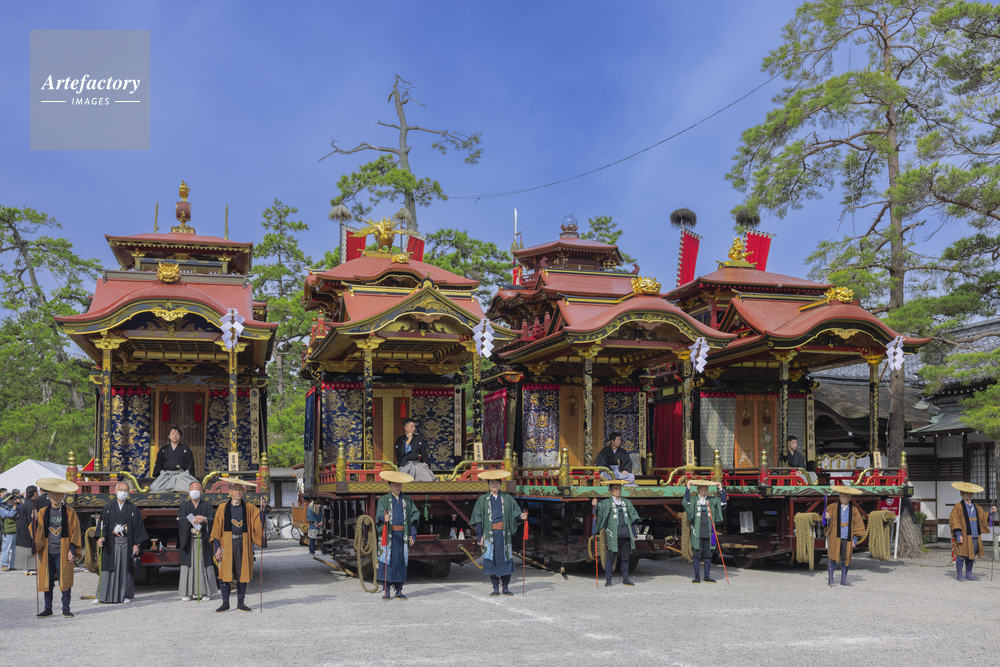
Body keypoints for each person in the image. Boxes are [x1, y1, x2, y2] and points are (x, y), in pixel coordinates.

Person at [470, 470, 528, 596]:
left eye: (496, 482)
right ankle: (495, 588)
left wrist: (521, 516)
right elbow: (477, 518)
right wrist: (479, 535)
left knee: (506, 559)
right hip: (489, 534)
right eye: (492, 482)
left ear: (500, 484)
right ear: (488, 484)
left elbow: (515, 511)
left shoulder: (507, 498)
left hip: (504, 534)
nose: (494, 485)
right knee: (492, 560)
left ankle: (505, 587)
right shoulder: (482, 500)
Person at [210, 479, 263, 613]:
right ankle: (225, 603)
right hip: (226, 543)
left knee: (242, 573)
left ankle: (241, 602)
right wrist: (217, 548)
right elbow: (216, 529)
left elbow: (258, 523)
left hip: (243, 543)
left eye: (240, 490)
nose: (237, 492)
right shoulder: (223, 508)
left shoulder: (249, 508)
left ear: (244, 492)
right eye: (235, 490)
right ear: (230, 492)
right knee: (224, 573)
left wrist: (262, 510)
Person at [33, 478, 82, 618]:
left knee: (65, 579)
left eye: (58, 494)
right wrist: (34, 520)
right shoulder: (43, 512)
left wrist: (72, 550)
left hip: (63, 551)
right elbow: (37, 532)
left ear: (62, 495)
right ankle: (48, 608)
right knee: (47, 580)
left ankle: (66, 608)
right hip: (47, 551)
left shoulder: (70, 512)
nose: (55, 497)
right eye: (52, 494)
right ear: (48, 495)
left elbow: (75, 532)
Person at [94, 481, 149, 604]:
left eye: (125, 490)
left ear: (129, 493)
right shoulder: (107, 508)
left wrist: (137, 544)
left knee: (125, 569)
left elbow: (138, 528)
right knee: (107, 569)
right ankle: (102, 595)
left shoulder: (133, 509)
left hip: (126, 544)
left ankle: (125, 595)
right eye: (121, 490)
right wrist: (101, 538)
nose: (123, 492)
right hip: (111, 544)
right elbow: (102, 526)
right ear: (115, 491)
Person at [375, 471, 418, 600]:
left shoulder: (407, 500)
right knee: (387, 562)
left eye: (399, 485)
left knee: (401, 562)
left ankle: (399, 590)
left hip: (402, 535)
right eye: (394, 485)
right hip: (389, 535)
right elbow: (379, 514)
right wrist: (383, 517)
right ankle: (386, 591)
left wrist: (413, 534)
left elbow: (414, 516)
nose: (397, 487)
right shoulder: (383, 499)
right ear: (389, 486)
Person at [592, 479, 640, 587]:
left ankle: (626, 579)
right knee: (610, 558)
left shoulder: (626, 502)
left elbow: (633, 518)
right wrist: (595, 505)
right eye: (616, 489)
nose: (618, 490)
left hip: (626, 535)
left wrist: (634, 534)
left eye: (619, 488)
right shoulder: (606, 502)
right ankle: (608, 580)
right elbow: (598, 509)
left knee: (625, 558)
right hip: (613, 535)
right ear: (611, 490)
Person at [948, 481, 996, 582]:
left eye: (970, 493)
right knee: (961, 555)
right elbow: (954, 520)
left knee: (971, 555)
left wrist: (990, 512)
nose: (969, 495)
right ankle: (959, 575)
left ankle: (969, 574)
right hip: (964, 534)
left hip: (975, 535)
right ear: (961, 494)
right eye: (967, 493)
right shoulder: (958, 507)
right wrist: (958, 534)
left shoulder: (977, 507)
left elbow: (982, 518)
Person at [177, 480, 217, 601]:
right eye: (192, 489)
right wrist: (190, 520)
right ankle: (187, 593)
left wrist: (204, 519)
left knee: (204, 564)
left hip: (203, 539)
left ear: (201, 492)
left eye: (197, 489)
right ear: (189, 491)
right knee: (188, 566)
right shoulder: (184, 505)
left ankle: (205, 592)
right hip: (189, 539)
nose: (194, 491)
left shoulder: (207, 505)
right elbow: (180, 518)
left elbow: (213, 519)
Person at [682, 479, 727, 584]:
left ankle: (707, 576)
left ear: (707, 490)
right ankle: (697, 577)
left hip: (709, 532)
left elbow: (723, 503)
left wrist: (720, 489)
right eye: (701, 489)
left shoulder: (712, 500)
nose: (703, 491)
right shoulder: (693, 499)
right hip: (697, 532)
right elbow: (686, 502)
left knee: (708, 555)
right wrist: (688, 488)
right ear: (698, 489)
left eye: (705, 489)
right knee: (697, 555)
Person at [823, 485, 868, 587]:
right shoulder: (832, 507)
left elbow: (858, 525)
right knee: (832, 558)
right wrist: (827, 518)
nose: (842, 498)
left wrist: (854, 539)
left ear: (849, 498)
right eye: (841, 496)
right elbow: (824, 521)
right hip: (835, 537)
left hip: (847, 538)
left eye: (844, 497)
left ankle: (843, 580)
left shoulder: (854, 510)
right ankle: (830, 580)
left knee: (846, 559)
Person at [150, 426, 199, 492]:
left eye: (177, 434)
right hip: (166, 476)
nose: (175, 435)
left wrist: (187, 472)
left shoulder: (185, 449)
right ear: (169, 436)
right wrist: (162, 472)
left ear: (180, 437)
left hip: (182, 475)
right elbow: (158, 463)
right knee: (154, 488)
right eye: (173, 434)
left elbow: (190, 463)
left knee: (192, 488)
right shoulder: (164, 449)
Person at [14, 486, 38, 573]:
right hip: (28, 529)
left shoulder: (26, 503)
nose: (38, 493)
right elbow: (31, 520)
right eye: (37, 492)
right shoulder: (30, 505)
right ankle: (30, 567)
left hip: (23, 528)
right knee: (29, 547)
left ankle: (27, 567)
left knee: (27, 547)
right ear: (34, 493)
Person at [1, 489, 20, 571]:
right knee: (6, 550)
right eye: (11, 499)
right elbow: (10, 515)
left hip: (15, 531)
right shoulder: (1, 509)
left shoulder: (12, 507)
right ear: (6, 501)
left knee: (15, 550)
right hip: (7, 533)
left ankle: (13, 565)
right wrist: (14, 507)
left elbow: (20, 511)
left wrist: (19, 503)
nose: (12, 501)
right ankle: (4, 565)